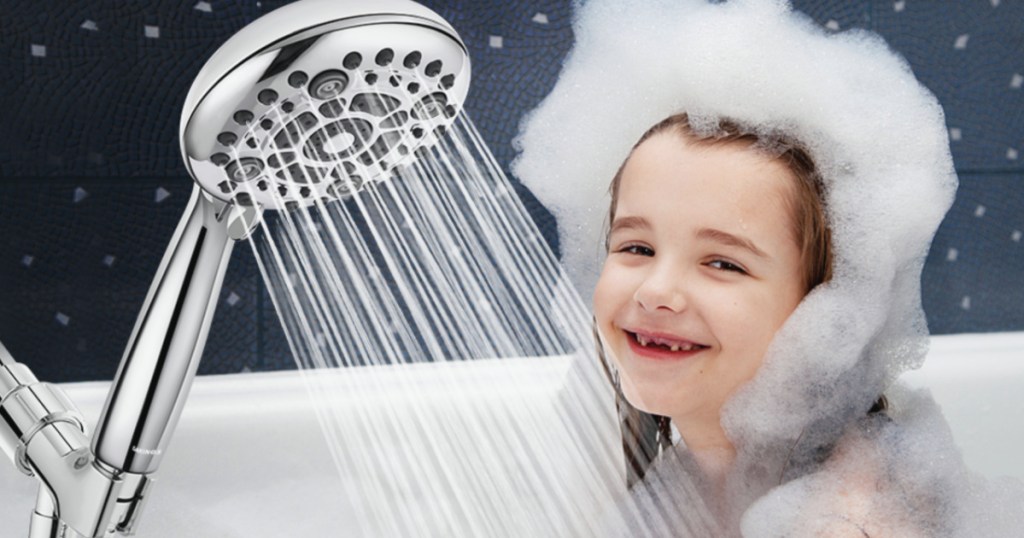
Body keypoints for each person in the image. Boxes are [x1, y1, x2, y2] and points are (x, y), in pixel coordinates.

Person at [514, 0, 1024, 535]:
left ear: (822, 311)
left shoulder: (847, 519)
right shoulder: (687, 478)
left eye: (722, 262)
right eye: (636, 248)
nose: (656, 290)